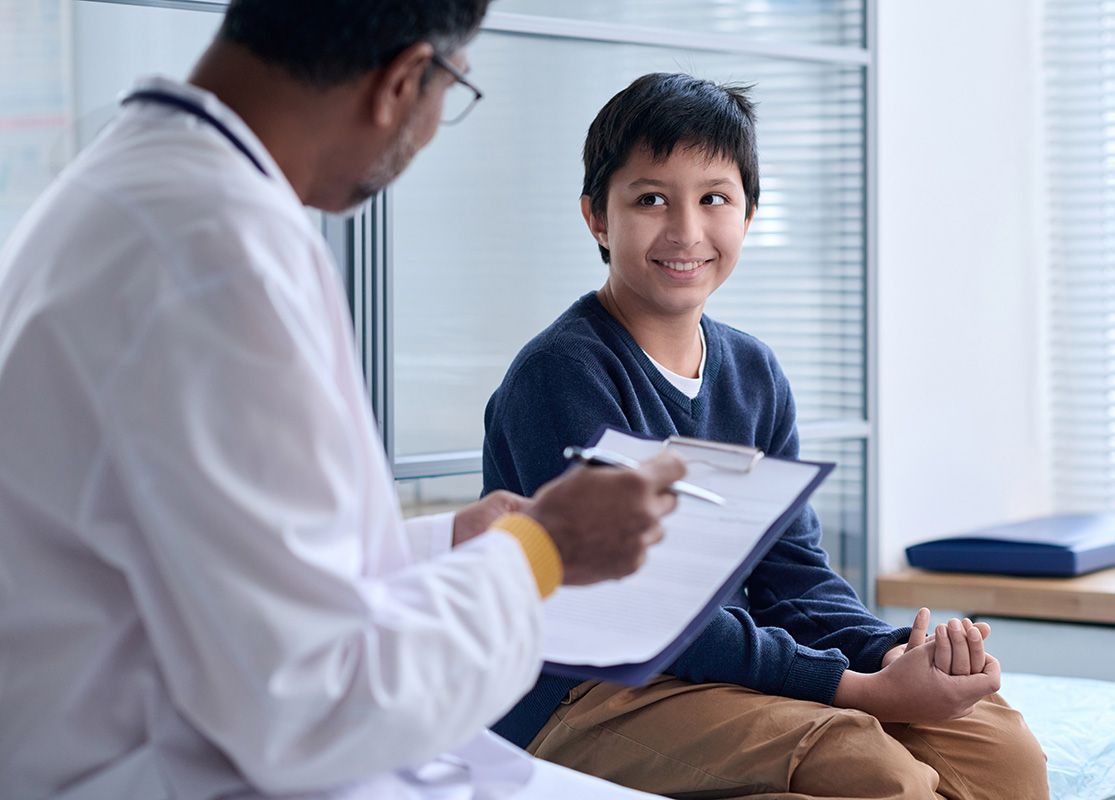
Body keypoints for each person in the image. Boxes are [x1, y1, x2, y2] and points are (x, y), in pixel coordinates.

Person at [0, 3, 687, 799]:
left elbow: (214, 548)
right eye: (450, 90)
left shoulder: (134, 188)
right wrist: (543, 550)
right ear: (401, 80)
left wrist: (437, 545)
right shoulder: (213, 259)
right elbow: (312, 701)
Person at [482, 73, 1050, 800]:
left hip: (715, 672)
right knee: (871, 769)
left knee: (1002, 752)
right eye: (651, 198)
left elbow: (792, 577)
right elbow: (646, 611)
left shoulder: (751, 370)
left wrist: (896, 652)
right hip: (584, 692)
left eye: (714, 198)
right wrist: (858, 692)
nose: (686, 230)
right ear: (597, 216)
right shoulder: (562, 374)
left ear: (748, 214)